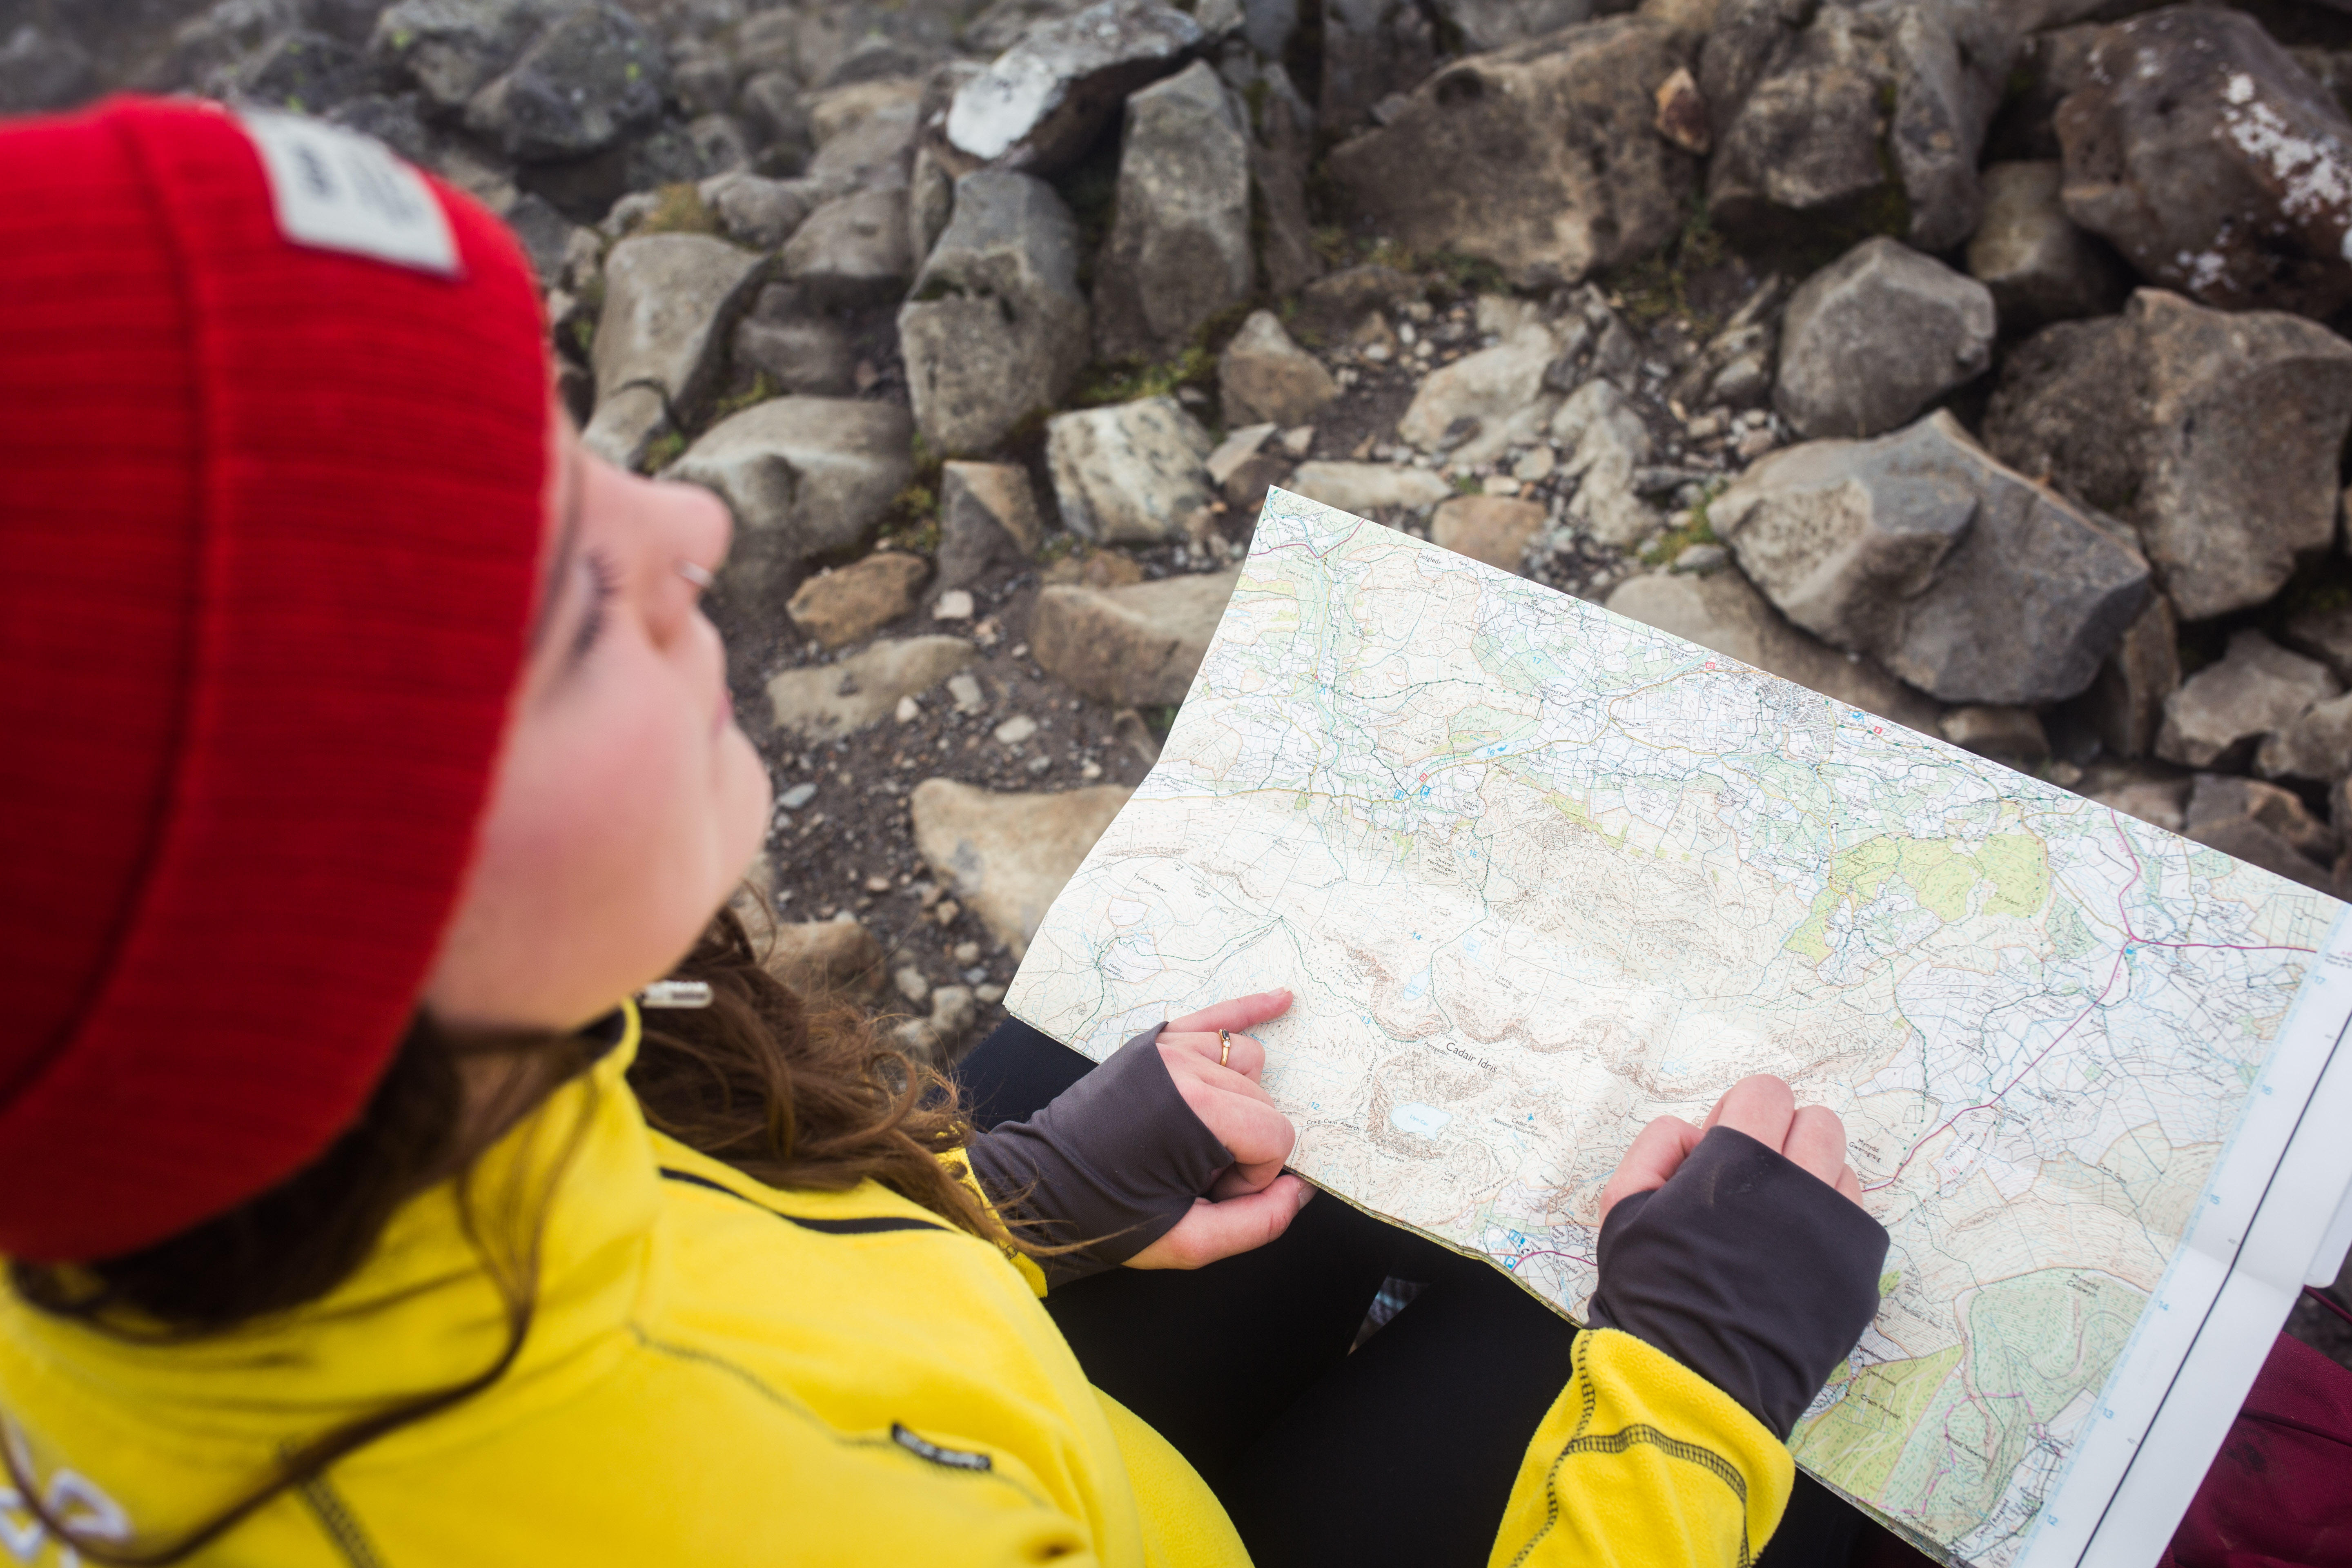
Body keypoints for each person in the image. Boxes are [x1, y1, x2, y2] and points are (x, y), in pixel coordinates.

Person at [0, 95, 2325, 1568]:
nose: (686, 532)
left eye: (562, 437)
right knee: (1808, 1388)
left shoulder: (312, 1133)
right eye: (553, 609)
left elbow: (673, 1268)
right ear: (316, 948)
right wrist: (1689, 1402)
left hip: (968, 1431)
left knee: (1113, 1087)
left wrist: (997, 1215)